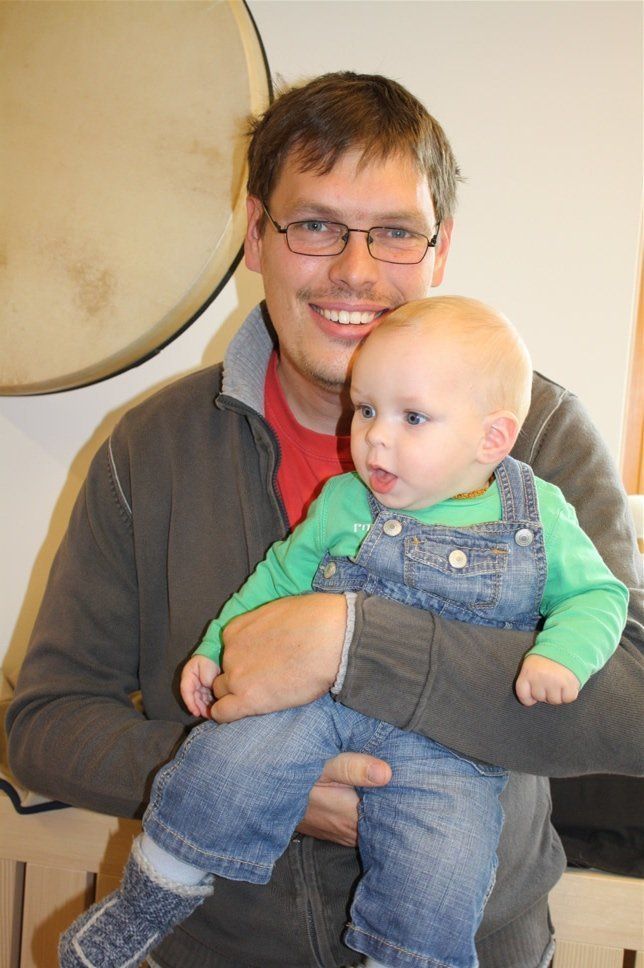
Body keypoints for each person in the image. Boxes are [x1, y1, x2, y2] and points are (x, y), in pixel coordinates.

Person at [6, 73, 643, 968]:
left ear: (440, 249)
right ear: (255, 234)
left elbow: (632, 704)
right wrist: (254, 771)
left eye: (395, 232)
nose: (355, 269)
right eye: (314, 225)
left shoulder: (537, 434)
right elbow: (45, 723)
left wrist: (355, 643)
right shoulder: (150, 449)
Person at [58, 297, 628, 968]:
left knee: (446, 861)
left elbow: (599, 595)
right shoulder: (344, 500)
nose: (375, 438)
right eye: (365, 410)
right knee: (225, 762)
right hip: (316, 708)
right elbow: (277, 578)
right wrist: (215, 647)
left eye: (412, 418)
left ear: (492, 439)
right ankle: (152, 896)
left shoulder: (539, 517)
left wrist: (562, 655)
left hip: (449, 746)